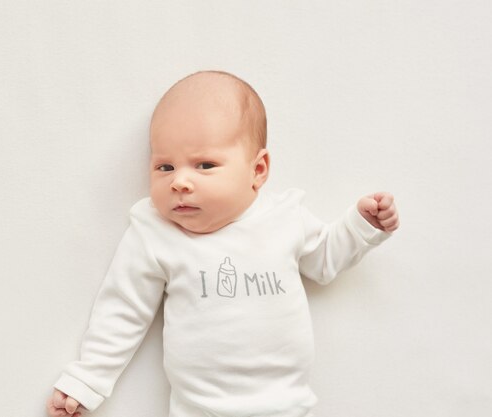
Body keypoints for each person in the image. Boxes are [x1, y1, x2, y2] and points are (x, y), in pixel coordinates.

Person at [46, 70, 399, 417]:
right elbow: (122, 310)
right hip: (201, 408)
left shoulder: (284, 217)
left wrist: (360, 226)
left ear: (257, 170)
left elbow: (323, 261)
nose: (180, 182)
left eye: (205, 164)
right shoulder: (155, 230)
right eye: (165, 167)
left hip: (286, 404)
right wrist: (87, 378)